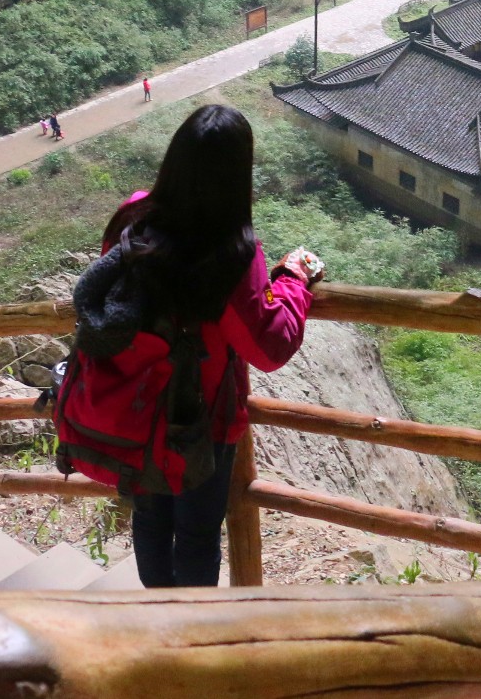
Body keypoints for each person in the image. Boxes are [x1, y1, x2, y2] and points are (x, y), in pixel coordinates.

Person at [61, 106, 321, 588]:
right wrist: (292, 281)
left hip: (136, 407)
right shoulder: (231, 252)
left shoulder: (132, 216)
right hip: (199, 422)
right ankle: (192, 634)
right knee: (198, 534)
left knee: (150, 518)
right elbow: (269, 347)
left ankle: (160, 621)